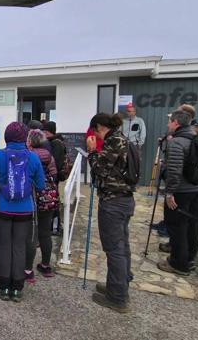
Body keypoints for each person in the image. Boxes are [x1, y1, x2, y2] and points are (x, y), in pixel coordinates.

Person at [0, 122, 44, 303]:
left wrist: (2, 183)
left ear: (6, 137)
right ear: (25, 137)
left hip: (2, 208)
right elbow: (40, 185)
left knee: (3, 246)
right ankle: (17, 287)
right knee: (19, 247)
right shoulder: (33, 158)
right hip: (25, 210)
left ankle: (3, 286)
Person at [87, 113, 135, 313]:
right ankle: (118, 286)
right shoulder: (122, 138)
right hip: (123, 200)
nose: (95, 137)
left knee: (114, 249)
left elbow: (100, 170)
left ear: (100, 127)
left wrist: (91, 152)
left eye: (94, 132)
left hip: (114, 201)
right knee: (121, 246)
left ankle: (117, 297)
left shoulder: (113, 141)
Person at [157, 110, 198, 277]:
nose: (168, 125)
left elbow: (174, 171)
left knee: (177, 227)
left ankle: (178, 263)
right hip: (196, 189)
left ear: (176, 123)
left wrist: (169, 193)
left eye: (170, 122)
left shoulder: (177, 142)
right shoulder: (195, 138)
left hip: (181, 192)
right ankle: (189, 259)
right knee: (191, 226)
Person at [24, 130, 58, 283]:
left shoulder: (29, 155)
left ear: (30, 141)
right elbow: (55, 175)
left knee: (31, 234)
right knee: (45, 233)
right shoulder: (49, 156)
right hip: (49, 198)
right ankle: (45, 265)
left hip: (33, 197)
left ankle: (27, 270)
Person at [42, 121, 67, 235]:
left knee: (54, 202)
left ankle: (56, 227)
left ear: (47, 132)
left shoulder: (56, 143)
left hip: (54, 178)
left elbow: (55, 162)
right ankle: (53, 226)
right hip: (54, 177)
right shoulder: (56, 141)